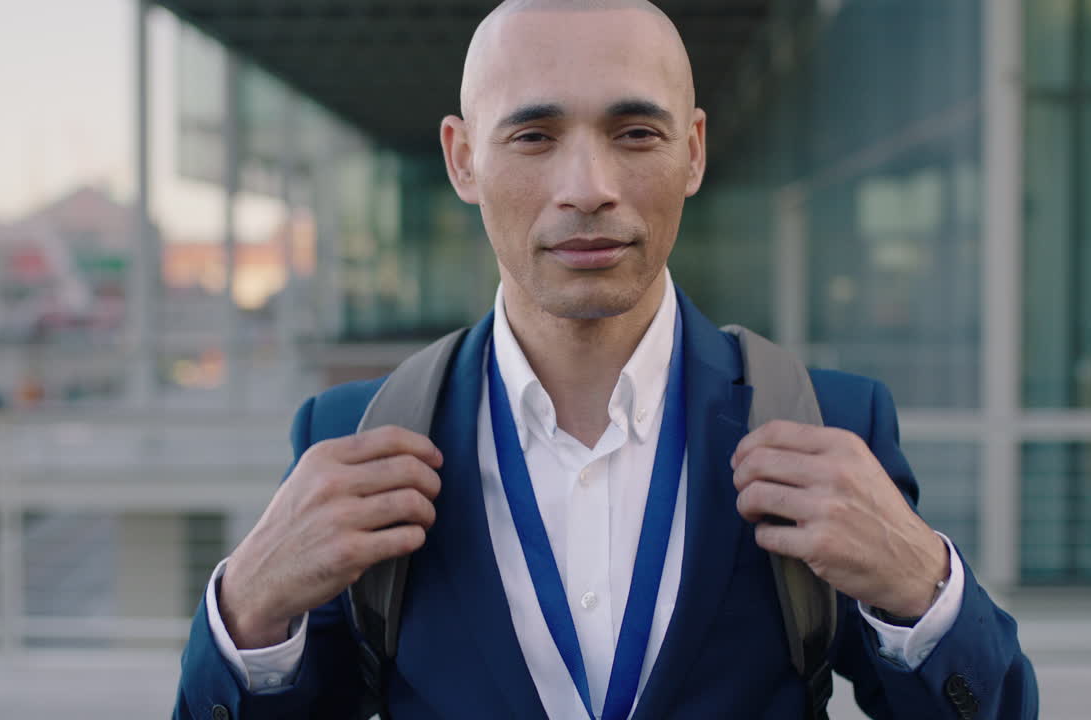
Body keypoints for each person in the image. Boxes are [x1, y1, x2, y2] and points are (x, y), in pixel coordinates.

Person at [173, 1, 1037, 718]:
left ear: (692, 150)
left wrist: (925, 592)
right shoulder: (353, 439)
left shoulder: (830, 425)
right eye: (535, 136)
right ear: (463, 158)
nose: (588, 187)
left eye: (634, 133)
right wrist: (246, 612)